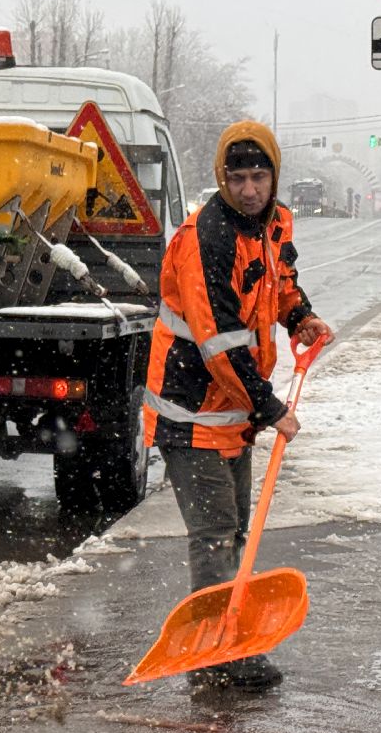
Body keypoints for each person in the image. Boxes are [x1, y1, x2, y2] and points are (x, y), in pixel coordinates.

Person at [142, 120, 335, 690]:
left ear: (275, 175)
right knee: (215, 534)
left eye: (259, 176)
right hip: (191, 411)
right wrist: (272, 407)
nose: (250, 189)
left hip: (234, 416)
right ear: (221, 179)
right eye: (238, 177)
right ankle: (218, 654)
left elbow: (279, 283)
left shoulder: (273, 224)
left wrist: (301, 318)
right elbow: (219, 340)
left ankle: (227, 638)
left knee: (235, 533)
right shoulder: (208, 237)